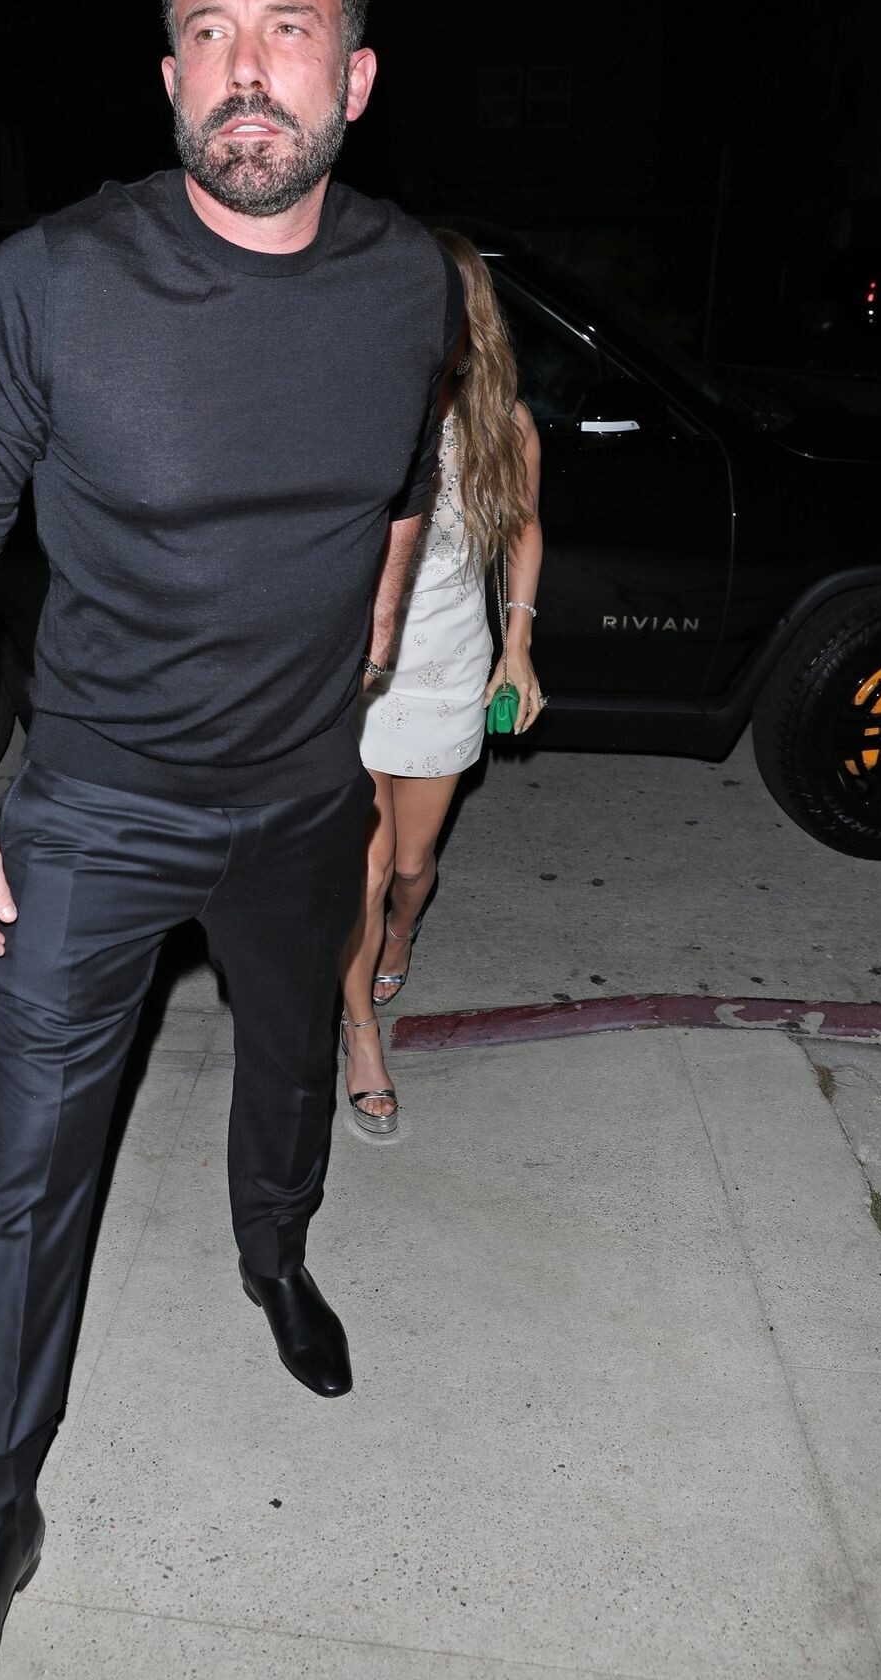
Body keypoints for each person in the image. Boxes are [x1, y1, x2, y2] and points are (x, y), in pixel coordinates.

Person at [0, 0, 463, 1679]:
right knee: (33, 1155)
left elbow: (400, 484)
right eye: (209, 33)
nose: (246, 67)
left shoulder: (412, 284)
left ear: (353, 78)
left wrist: (373, 636)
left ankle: (274, 1256)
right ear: (168, 76)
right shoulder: (53, 285)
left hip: (304, 796)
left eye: (288, 30)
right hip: (97, 805)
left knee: (288, 1070)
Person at [339, 230, 544, 1134]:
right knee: (364, 868)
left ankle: (405, 930)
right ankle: (359, 1030)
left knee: (411, 869)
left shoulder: (503, 425)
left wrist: (518, 645)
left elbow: (524, 530)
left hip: (450, 670)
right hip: (353, 678)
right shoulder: (360, 402)